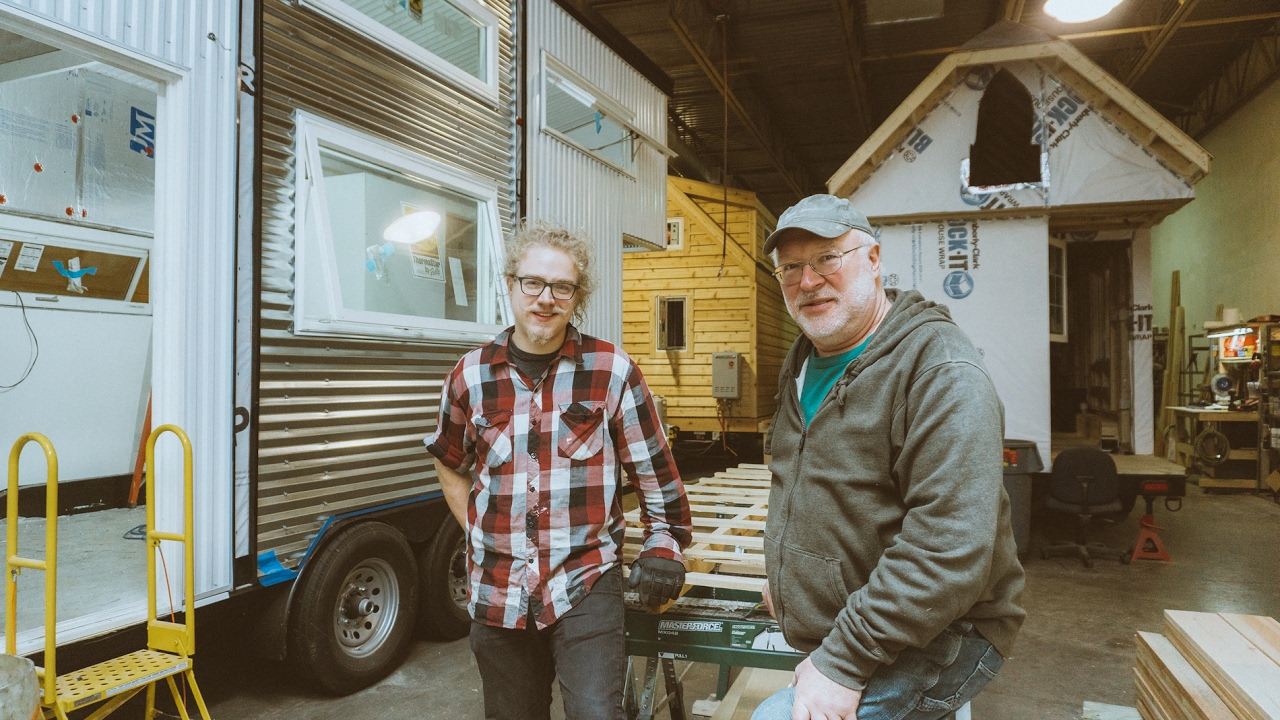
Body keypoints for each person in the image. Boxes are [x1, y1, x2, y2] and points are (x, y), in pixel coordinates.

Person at [751, 195, 1026, 720]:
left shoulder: (940, 370)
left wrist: (841, 662)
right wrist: (784, 572)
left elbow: (948, 550)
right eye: (791, 267)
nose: (807, 281)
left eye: (827, 258)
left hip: (941, 633)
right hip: (869, 623)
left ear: (873, 259)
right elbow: (798, 477)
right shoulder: (805, 362)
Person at [427, 221, 692, 720]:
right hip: (498, 588)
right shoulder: (470, 375)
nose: (545, 298)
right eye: (533, 283)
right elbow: (450, 461)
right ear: (511, 285)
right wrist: (477, 528)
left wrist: (664, 545)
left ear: (577, 296)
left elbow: (656, 473)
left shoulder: (610, 370)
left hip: (585, 583)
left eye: (562, 287)